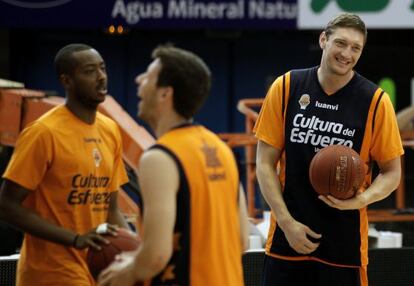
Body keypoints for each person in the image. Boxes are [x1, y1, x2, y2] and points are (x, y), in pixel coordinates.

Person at [254, 13, 403, 286]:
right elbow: (264, 162)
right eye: (341, 43)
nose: (347, 54)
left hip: (344, 244)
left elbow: (392, 173)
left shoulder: (375, 101)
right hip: (288, 238)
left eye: (355, 48)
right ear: (323, 40)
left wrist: (362, 199)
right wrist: (286, 223)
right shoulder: (287, 86)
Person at [97, 45, 249, 286]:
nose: (138, 80)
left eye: (148, 76)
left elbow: (156, 255)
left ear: (164, 94)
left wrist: (124, 274)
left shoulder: (160, 158)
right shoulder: (221, 149)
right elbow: (242, 240)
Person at [0, 43, 130, 286]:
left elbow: (111, 209)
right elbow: (6, 205)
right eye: (89, 71)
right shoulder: (43, 133)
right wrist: (75, 238)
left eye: (102, 68)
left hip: (93, 268)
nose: (101, 77)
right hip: (51, 272)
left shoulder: (110, 130)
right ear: (67, 81)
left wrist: (136, 251)